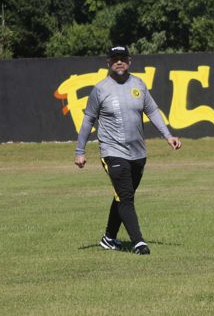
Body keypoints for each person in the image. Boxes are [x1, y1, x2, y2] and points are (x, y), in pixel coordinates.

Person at [74, 46, 181, 255]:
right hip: (112, 151)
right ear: (108, 63)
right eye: (115, 59)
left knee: (123, 195)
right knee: (126, 196)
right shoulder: (100, 89)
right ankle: (138, 242)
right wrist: (80, 150)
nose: (119, 62)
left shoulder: (138, 85)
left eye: (123, 58)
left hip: (138, 153)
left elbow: (152, 111)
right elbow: (88, 120)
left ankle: (109, 238)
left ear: (129, 61)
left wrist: (168, 136)